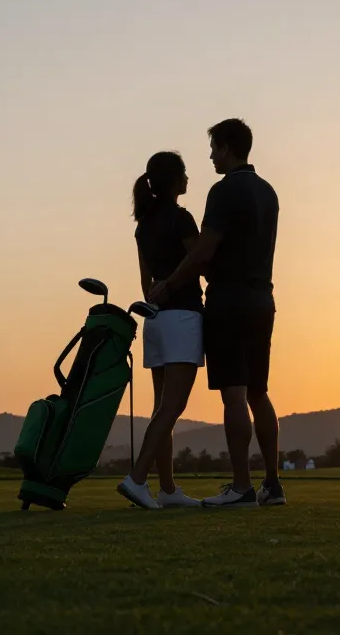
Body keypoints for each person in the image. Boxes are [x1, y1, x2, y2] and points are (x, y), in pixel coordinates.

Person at [149, 119, 284, 507]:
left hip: (229, 301)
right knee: (258, 392)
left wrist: (169, 284)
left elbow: (202, 252)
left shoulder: (223, 191)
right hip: (263, 300)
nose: (210, 156)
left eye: (213, 148)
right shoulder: (268, 192)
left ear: (226, 147)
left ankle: (242, 487)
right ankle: (272, 485)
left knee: (234, 394)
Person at [117, 151, 205, 510]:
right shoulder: (181, 219)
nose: (188, 179)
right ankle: (137, 479)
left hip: (155, 320)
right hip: (182, 318)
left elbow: (145, 282)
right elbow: (199, 261)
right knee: (172, 406)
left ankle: (167, 489)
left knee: (161, 408)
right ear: (174, 180)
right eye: (184, 173)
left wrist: (159, 293)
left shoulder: (144, 225)